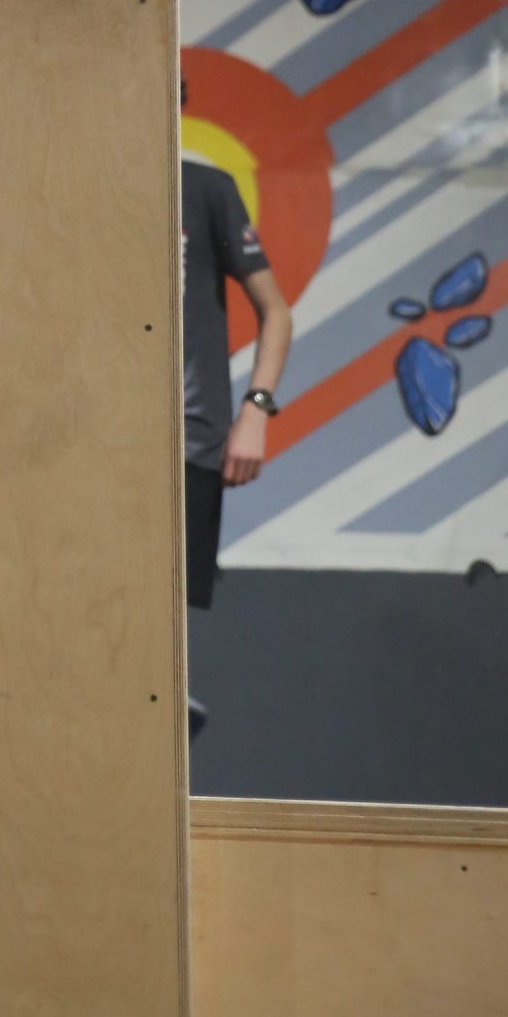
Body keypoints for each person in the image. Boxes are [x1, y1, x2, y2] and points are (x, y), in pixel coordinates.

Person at [182, 137, 293, 646]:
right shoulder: (72, 189)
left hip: (187, 449)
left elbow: (276, 312)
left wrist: (256, 411)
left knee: (164, 636)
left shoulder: (205, 189)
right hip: (86, 449)